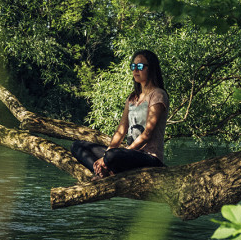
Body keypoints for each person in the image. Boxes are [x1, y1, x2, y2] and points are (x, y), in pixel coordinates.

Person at [71, 50, 169, 179]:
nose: (135, 70)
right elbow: (121, 131)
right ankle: (103, 174)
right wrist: (108, 152)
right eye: (133, 66)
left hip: (150, 158)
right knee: (78, 146)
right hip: (128, 155)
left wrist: (108, 157)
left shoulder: (158, 95)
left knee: (112, 156)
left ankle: (107, 169)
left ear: (151, 68)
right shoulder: (132, 98)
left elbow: (147, 134)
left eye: (140, 66)